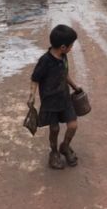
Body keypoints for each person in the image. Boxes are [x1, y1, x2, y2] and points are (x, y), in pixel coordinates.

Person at [28, 25, 83, 170]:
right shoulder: (45, 61)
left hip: (65, 99)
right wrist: (32, 96)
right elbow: (35, 79)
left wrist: (75, 87)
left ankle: (65, 146)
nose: (72, 48)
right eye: (71, 45)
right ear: (63, 47)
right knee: (54, 129)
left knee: (73, 125)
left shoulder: (64, 57)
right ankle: (53, 152)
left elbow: (65, 75)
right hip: (50, 102)